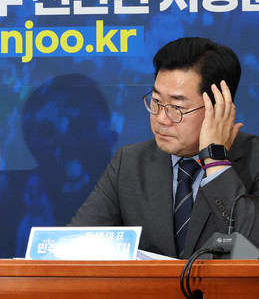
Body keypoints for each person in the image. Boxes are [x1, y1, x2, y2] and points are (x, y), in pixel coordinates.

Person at [70, 37, 259, 258]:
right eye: (156, 101)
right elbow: (73, 247)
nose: (161, 118)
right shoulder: (129, 163)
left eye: (177, 107)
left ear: (219, 108)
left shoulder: (254, 161)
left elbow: (252, 247)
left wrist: (216, 162)